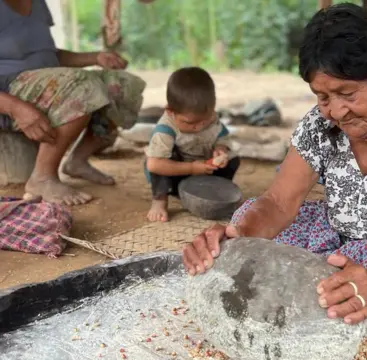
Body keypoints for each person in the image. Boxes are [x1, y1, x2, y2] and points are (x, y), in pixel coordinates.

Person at [182, 3, 367, 325]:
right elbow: (280, 202)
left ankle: (339, 275)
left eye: (348, 94)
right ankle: (335, 273)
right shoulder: (318, 125)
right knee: (248, 216)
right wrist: (234, 238)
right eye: (323, 97)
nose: (336, 112)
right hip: (340, 235)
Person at [0, 0, 145, 205]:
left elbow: (49, 55)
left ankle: (77, 160)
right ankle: (42, 178)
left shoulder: (37, 4)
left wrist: (96, 57)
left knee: (123, 85)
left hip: (43, 82)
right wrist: (15, 109)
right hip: (7, 93)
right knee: (81, 85)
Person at [145, 67, 238, 223]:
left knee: (233, 159)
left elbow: (222, 137)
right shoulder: (165, 130)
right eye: (190, 123)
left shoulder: (211, 116)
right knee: (160, 161)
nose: (199, 127)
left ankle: (216, 193)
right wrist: (192, 168)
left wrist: (220, 150)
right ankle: (159, 201)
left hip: (205, 172)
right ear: (170, 111)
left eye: (205, 120)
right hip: (175, 174)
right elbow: (154, 165)